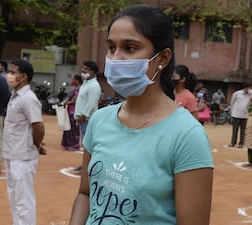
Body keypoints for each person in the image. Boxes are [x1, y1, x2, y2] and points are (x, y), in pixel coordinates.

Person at [69, 4, 213, 225]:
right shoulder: (100, 120)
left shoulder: (186, 135)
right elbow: (85, 193)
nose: (116, 58)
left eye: (130, 48)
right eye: (111, 47)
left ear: (162, 58)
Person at [2, 59, 45, 225]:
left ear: (24, 77)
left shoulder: (28, 98)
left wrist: (36, 145)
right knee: (14, 197)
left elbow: (38, 126)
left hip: (23, 156)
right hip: (12, 154)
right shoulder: (15, 96)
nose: (9, 75)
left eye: (13, 72)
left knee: (24, 200)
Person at [72, 61, 102, 174]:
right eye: (83, 68)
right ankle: (84, 165)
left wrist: (84, 115)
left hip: (87, 119)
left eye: (87, 69)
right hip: (82, 118)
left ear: (93, 72)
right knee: (85, 144)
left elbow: (92, 103)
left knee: (88, 144)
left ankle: (87, 167)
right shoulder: (86, 83)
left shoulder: (94, 86)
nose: (83, 71)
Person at [61, 74, 83, 151]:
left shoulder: (79, 89)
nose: (72, 80)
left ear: (77, 81)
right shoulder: (74, 89)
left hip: (74, 111)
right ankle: (66, 144)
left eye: (74, 79)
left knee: (73, 128)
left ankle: (73, 145)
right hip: (69, 110)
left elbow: (75, 100)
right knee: (67, 127)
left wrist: (67, 102)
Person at [229, 83, 252, 148]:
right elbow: (232, 102)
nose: (248, 90)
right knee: (235, 129)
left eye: (249, 89)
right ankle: (233, 142)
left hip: (245, 115)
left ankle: (241, 143)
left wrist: (251, 93)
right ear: (244, 88)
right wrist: (232, 112)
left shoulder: (250, 95)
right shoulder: (237, 93)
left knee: (243, 130)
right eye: (247, 88)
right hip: (236, 114)